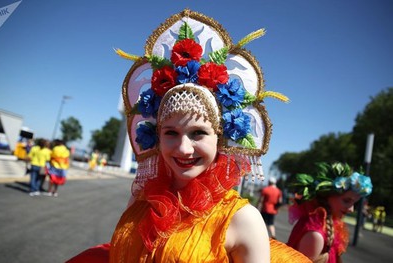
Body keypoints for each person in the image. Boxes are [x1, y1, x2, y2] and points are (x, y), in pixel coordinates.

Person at [67, 9, 310, 263]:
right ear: (157, 136)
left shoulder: (242, 219)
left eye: (198, 133)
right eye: (171, 132)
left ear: (220, 137)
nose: (184, 148)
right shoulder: (141, 196)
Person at [287, 162, 373, 262]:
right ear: (327, 195)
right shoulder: (316, 235)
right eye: (346, 201)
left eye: (354, 203)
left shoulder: (326, 224)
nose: (351, 209)